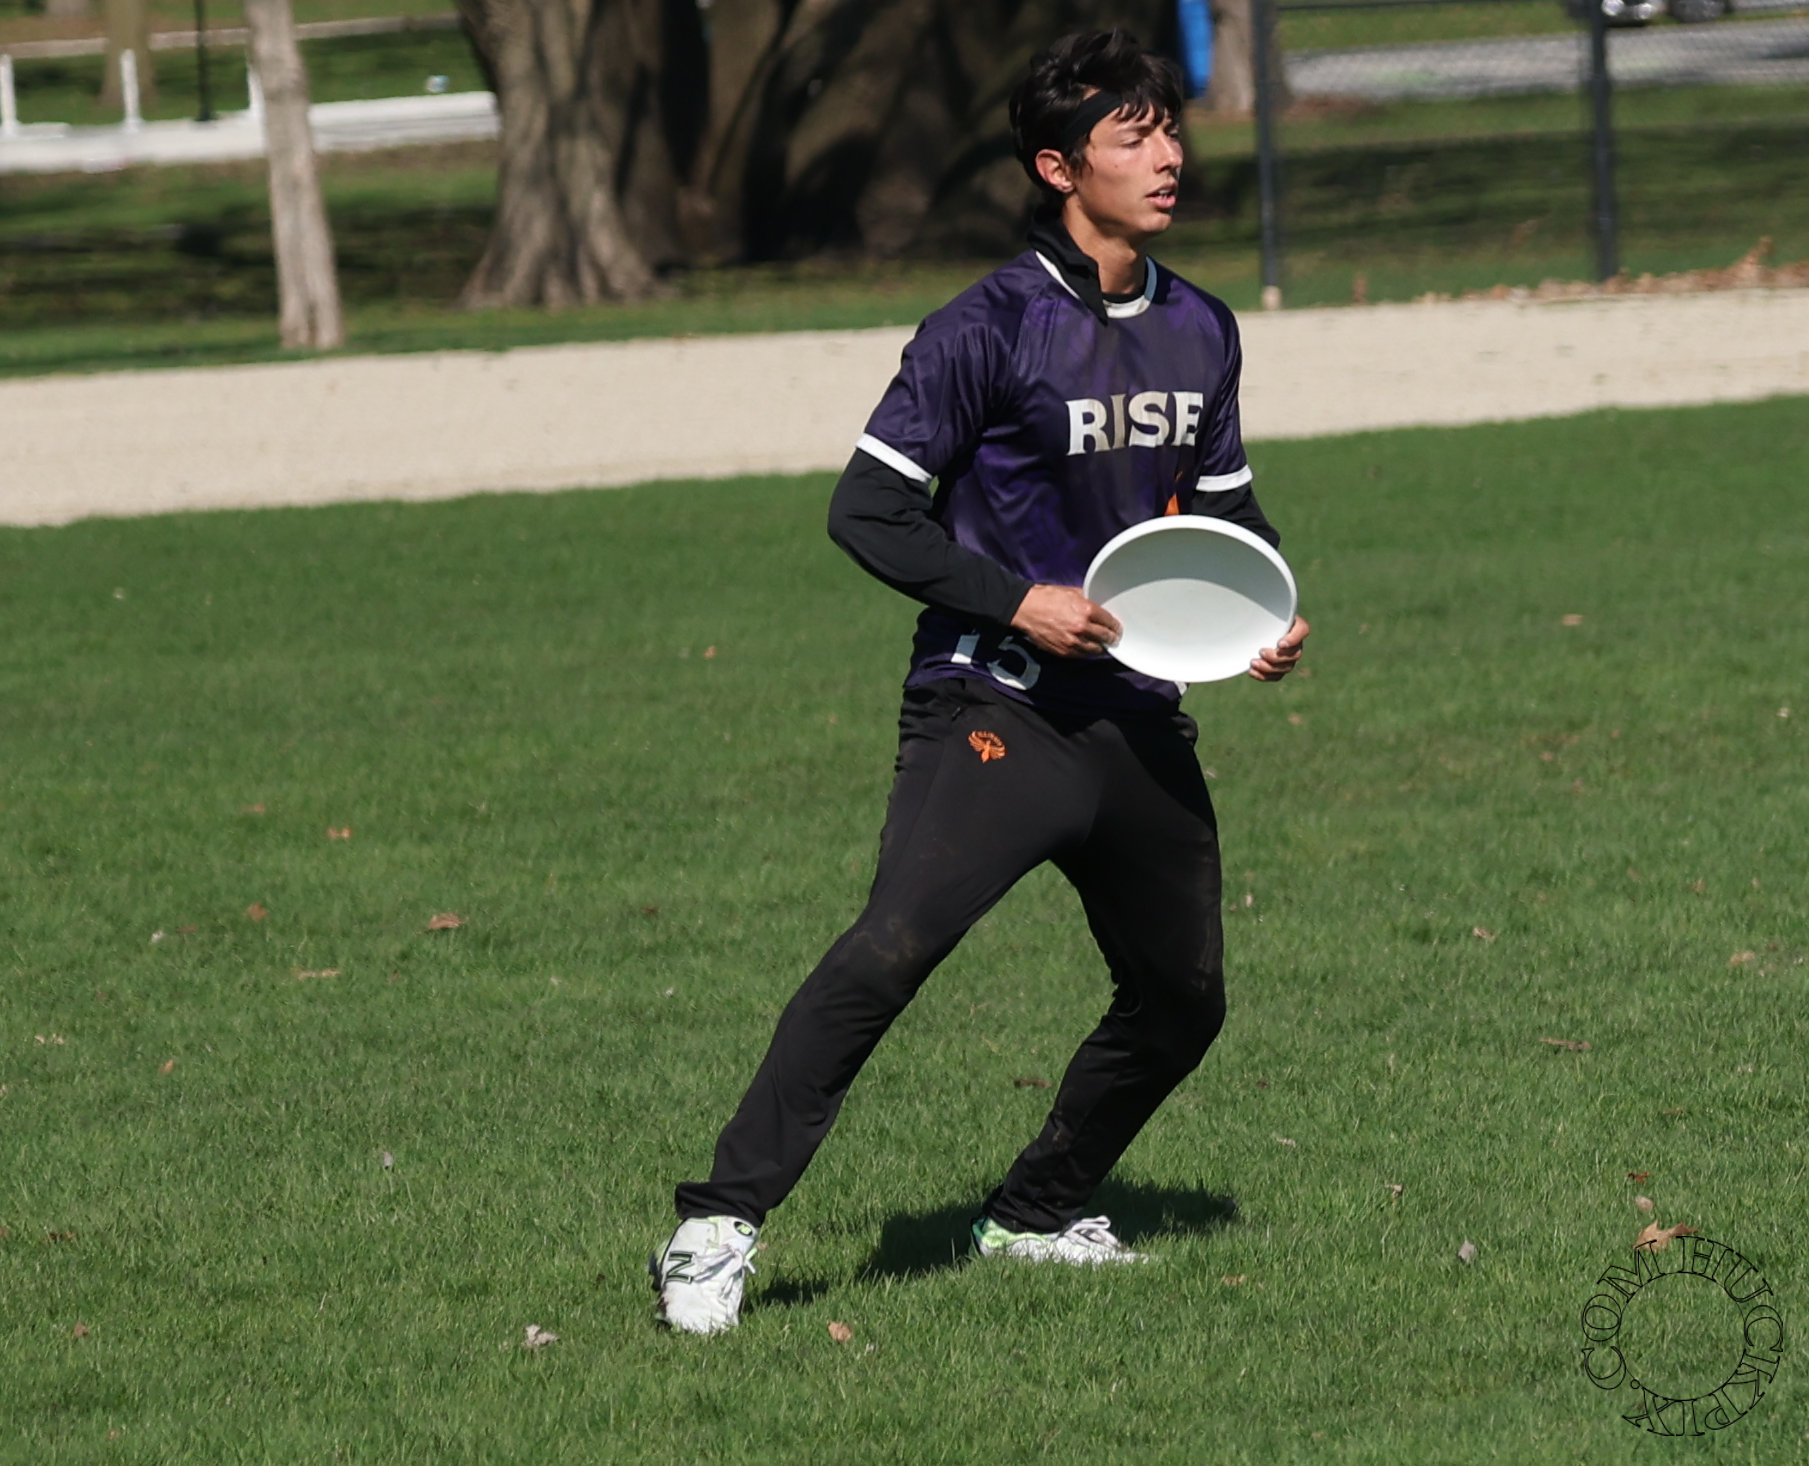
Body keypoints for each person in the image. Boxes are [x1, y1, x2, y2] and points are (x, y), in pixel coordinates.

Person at [652, 27, 1309, 1335]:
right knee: (889, 951)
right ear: (1058, 168)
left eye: (1169, 129)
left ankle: (1033, 1213)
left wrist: (1267, 612)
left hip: (1134, 713)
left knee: (1183, 999)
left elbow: (1225, 516)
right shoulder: (984, 328)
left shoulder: (1200, 328)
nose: (1167, 157)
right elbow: (867, 513)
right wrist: (1015, 599)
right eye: (1133, 137)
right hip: (993, 700)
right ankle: (716, 1223)